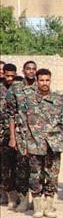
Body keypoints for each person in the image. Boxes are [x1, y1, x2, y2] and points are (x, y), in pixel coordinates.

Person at [15, 69, 63, 218]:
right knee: (35, 176)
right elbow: (21, 123)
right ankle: (38, 206)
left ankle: (49, 206)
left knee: (52, 176)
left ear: (50, 80)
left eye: (47, 80)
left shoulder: (59, 100)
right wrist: (23, 145)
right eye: (41, 80)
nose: (44, 83)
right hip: (34, 144)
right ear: (37, 81)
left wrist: (62, 139)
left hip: (54, 145)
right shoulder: (28, 100)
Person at [7, 60, 38, 212]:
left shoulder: (41, 87)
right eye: (28, 69)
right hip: (21, 135)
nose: (31, 71)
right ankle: (24, 200)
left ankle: (38, 201)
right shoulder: (16, 88)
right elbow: (11, 115)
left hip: (38, 137)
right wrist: (12, 137)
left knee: (37, 170)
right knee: (21, 168)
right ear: (23, 71)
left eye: (33, 69)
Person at [0, 63, 18, 207]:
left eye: (12, 76)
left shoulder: (20, 89)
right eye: (7, 75)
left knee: (19, 165)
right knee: (4, 165)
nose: (10, 78)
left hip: (18, 134)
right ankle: (7, 194)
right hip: (2, 134)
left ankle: (19, 195)